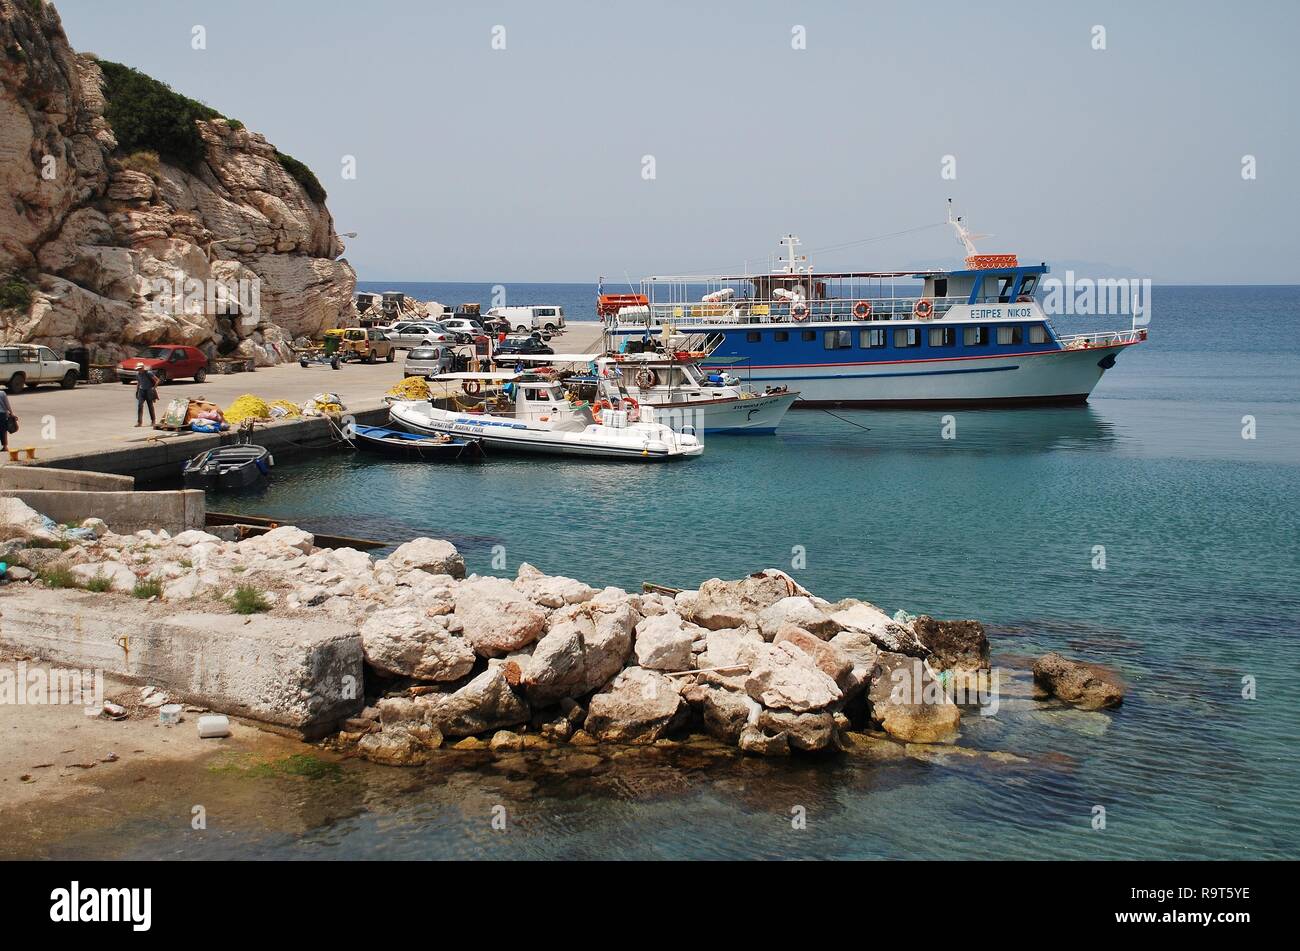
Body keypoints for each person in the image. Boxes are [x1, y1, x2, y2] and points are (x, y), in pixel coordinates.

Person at [135, 362, 159, 427]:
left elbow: (157, 380)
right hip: (141, 391)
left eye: (140, 369)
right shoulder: (138, 374)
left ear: (143, 368)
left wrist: (153, 388)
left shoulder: (148, 373)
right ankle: (139, 422)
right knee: (140, 406)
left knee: (150, 406)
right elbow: (139, 382)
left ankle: (153, 421)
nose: (139, 370)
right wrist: (137, 391)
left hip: (148, 391)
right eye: (138, 369)